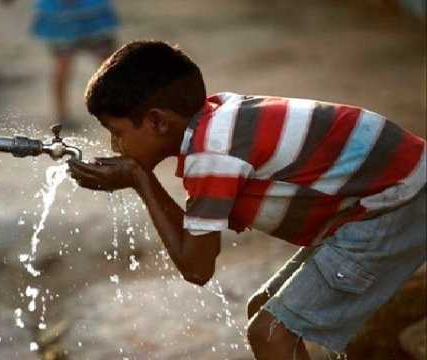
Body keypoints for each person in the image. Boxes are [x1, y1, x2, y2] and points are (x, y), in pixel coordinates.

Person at [68, 40, 426, 360]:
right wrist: (139, 177)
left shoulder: (213, 153)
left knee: (270, 334)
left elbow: (196, 267)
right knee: (265, 313)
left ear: (157, 122)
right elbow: (196, 246)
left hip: (398, 201)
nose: (116, 146)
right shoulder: (216, 122)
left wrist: (140, 180)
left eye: (117, 133)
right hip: (391, 192)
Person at [1, 0, 120, 129]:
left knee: (65, 65)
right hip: (87, 13)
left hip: (62, 15)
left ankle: (62, 114)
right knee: (108, 66)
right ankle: (117, 110)